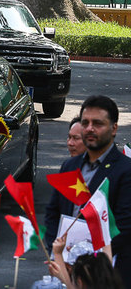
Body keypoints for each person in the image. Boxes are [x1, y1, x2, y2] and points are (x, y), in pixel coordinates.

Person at [45, 95, 131, 288]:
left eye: (98, 123)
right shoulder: (69, 166)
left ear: (114, 128)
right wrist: (58, 253)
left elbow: (125, 225)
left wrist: (85, 259)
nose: (90, 128)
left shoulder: (126, 170)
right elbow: (53, 213)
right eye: (85, 123)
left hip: (108, 272)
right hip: (67, 269)